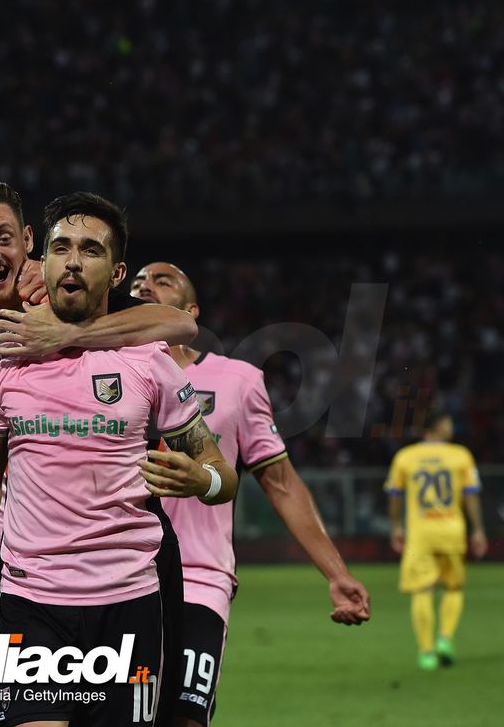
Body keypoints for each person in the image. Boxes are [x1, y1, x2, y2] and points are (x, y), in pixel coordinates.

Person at [0, 192, 239, 727]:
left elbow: (224, 475)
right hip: (32, 600)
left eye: (91, 250)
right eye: (61, 247)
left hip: (130, 598)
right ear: (44, 262)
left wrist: (203, 481)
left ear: (117, 272)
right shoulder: (6, 364)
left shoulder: (149, 362)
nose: (74, 261)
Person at [130, 261, 371, 726]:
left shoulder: (237, 380)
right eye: (138, 281)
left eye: (163, 281)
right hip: (116, 574)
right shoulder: (95, 370)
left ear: (190, 312)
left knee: (185, 718)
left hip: (199, 577)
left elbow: (280, 482)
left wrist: (336, 573)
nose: (146, 286)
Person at [386, 410, 487, 670]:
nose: (452, 427)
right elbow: (471, 495)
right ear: (438, 426)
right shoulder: (461, 455)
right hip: (452, 530)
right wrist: (478, 530)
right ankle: (445, 638)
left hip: (420, 534)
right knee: (454, 588)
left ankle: (426, 652)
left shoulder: (405, 456)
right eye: (449, 423)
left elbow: (395, 495)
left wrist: (396, 526)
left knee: (422, 591)